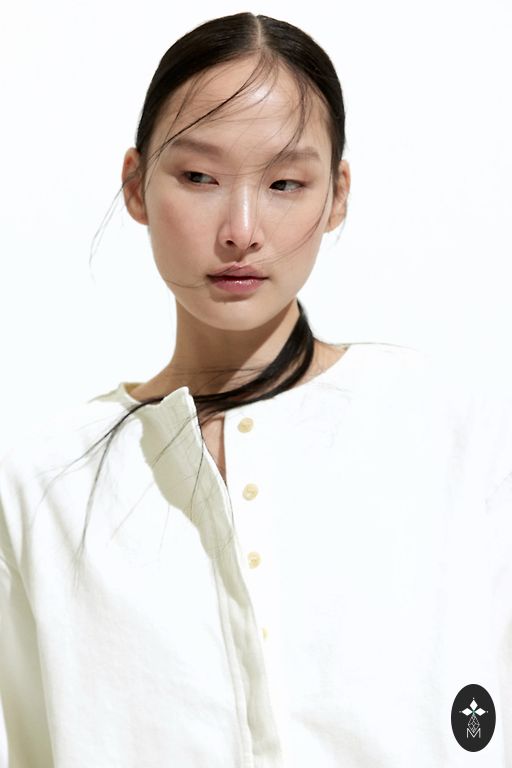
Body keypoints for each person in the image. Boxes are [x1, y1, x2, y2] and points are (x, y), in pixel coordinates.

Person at [1, 11, 511, 768]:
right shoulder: (43, 485)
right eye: (199, 177)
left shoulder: (450, 433)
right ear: (136, 187)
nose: (241, 229)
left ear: (336, 196)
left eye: (284, 183)